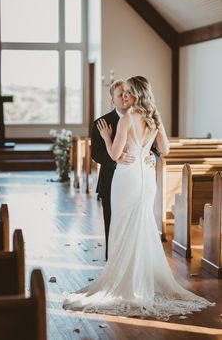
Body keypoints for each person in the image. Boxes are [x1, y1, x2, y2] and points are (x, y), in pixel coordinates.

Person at [63, 76, 214, 320]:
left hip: (127, 179)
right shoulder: (154, 119)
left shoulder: (125, 120)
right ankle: (142, 277)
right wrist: (151, 154)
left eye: (128, 93)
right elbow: (165, 150)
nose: (125, 97)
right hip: (146, 180)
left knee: (124, 227)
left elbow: (113, 153)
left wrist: (107, 138)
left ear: (135, 94)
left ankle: (126, 279)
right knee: (143, 225)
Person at [91, 79, 158, 260]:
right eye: (119, 95)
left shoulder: (145, 118)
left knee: (136, 221)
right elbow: (95, 154)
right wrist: (116, 157)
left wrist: (154, 157)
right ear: (112, 99)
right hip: (111, 178)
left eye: (126, 93)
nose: (124, 98)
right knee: (112, 221)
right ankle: (112, 261)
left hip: (137, 178)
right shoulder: (101, 122)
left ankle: (136, 260)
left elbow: (156, 149)